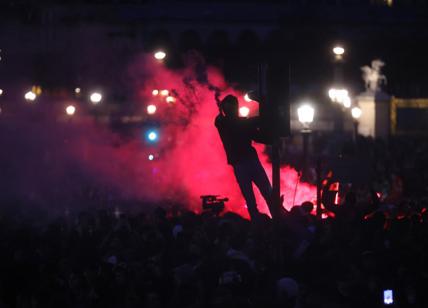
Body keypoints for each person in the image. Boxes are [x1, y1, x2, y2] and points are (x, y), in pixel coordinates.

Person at [215, 95, 277, 220]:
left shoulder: (231, 123)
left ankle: (269, 218)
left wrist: (271, 137)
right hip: (245, 162)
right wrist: (265, 119)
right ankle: (267, 219)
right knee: (259, 194)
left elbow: (257, 135)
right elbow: (244, 127)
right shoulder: (226, 123)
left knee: (260, 194)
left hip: (244, 163)